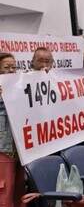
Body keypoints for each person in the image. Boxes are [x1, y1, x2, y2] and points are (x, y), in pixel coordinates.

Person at [0, 53, 26, 207]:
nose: (11, 70)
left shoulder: (20, 86)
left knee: (19, 191)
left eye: (14, 67)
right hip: (3, 148)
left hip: (21, 148)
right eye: (6, 67)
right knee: (5, 193)